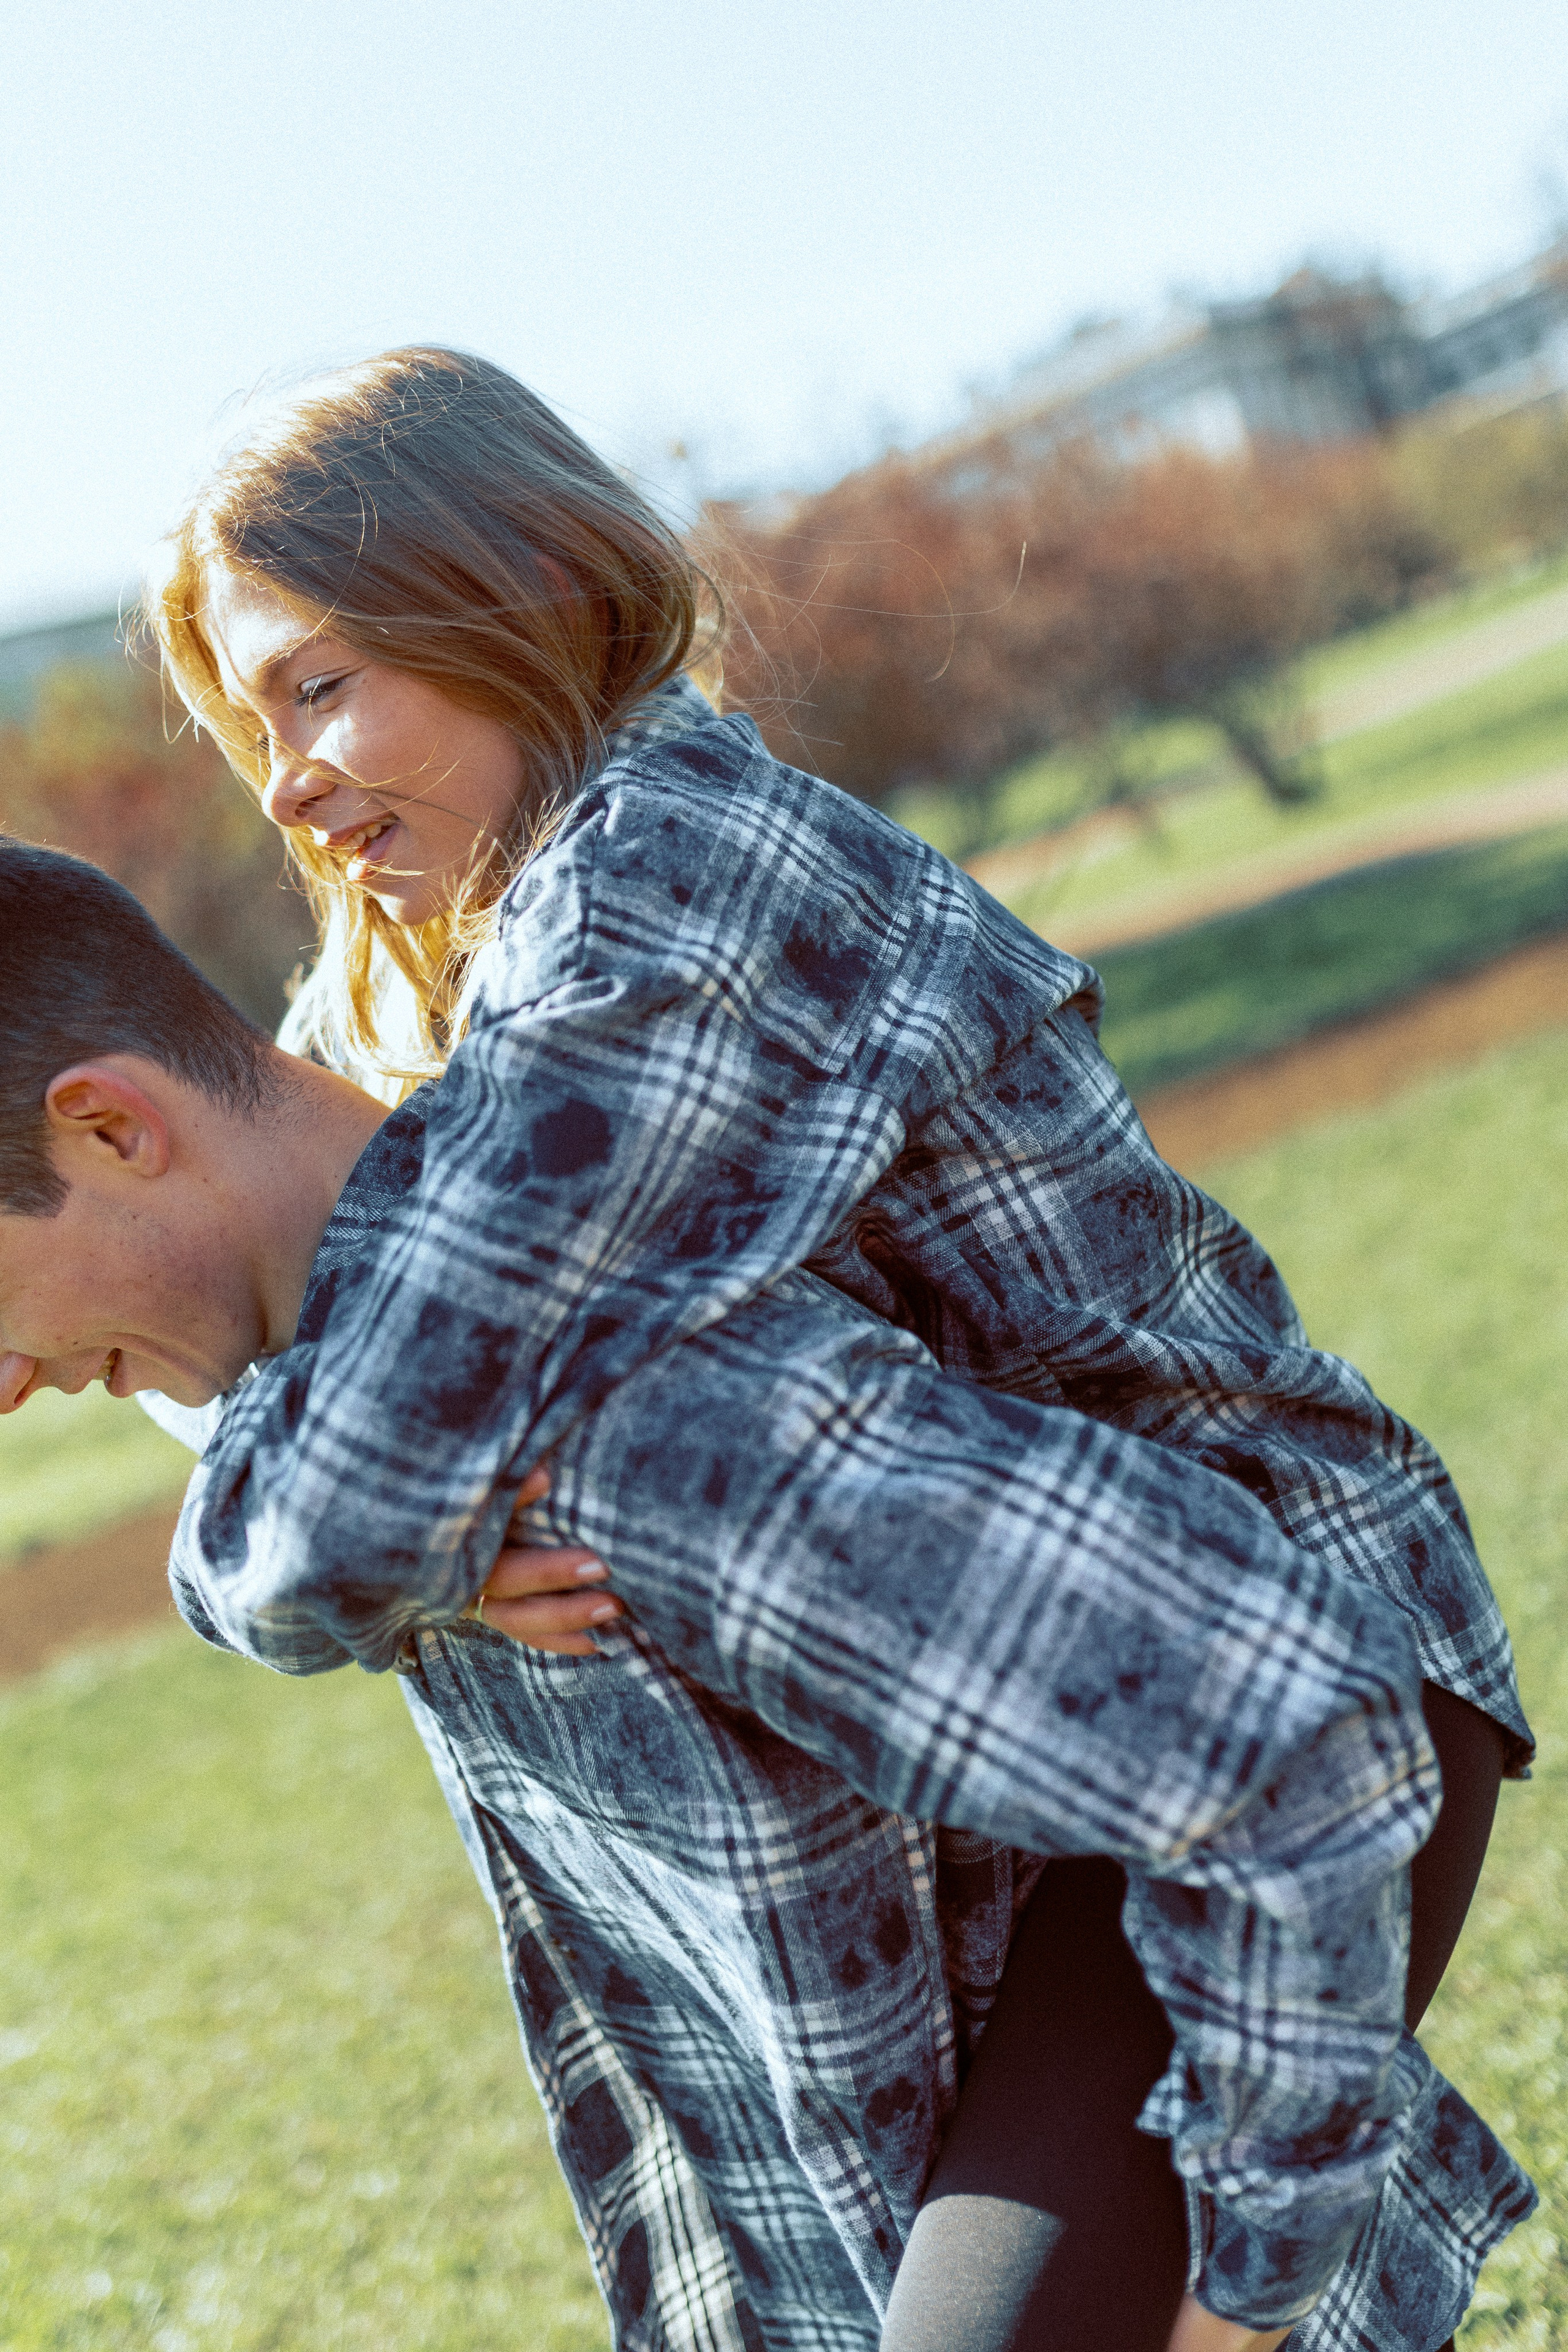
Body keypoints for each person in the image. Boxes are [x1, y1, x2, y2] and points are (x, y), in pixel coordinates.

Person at [134, 346, 1532, 2346]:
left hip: (1251, 1669)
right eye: (241, 727)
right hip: (991, 1738)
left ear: (516, 587)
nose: (280, 781)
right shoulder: (448, 979)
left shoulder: (677, 881)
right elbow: (266, 1362)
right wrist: (327, 1500)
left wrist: (358, 1543)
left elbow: (369, 1453)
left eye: (315, 683)